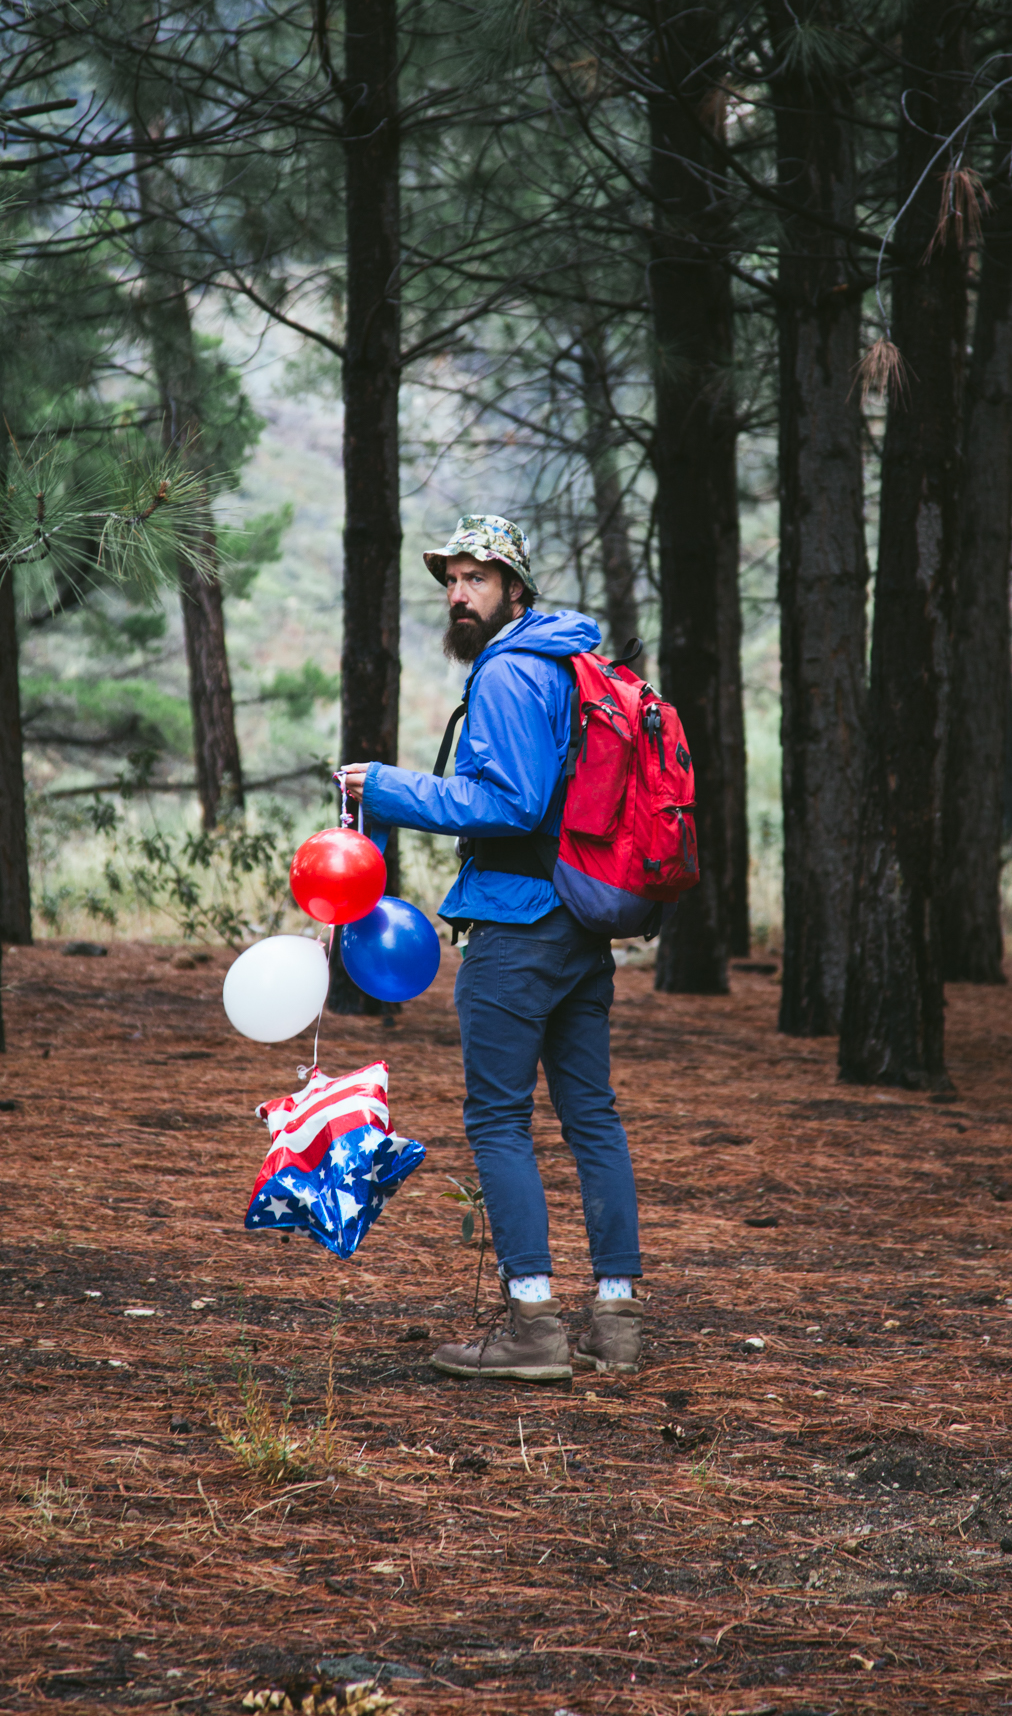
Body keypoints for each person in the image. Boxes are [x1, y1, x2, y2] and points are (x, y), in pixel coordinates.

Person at [338, 514, 643, 1382]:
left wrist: (386, 787)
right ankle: (617, 1321)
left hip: (517, 927)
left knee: (499, 1120)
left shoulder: (510, 671)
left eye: (476, 578)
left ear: (515, 589)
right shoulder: (567, 663)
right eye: (450, 581)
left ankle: (533, 1325)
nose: (457, 595)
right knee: (592, 1117)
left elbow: (511, 803)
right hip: (578, 919)